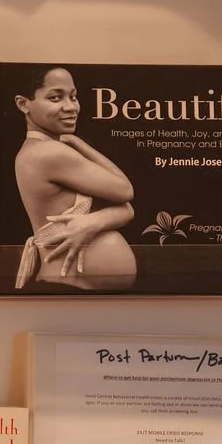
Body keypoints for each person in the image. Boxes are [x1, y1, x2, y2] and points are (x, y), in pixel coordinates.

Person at [11, 66, 137, 292]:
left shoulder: (37, 150)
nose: (70, 107)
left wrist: (91, 222)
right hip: (68, 284)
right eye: (55, 98)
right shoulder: (49, 153)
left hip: (72, 284)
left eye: (73, 96)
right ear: (23, 104)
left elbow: (126, 207)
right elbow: (125, 190)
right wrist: (79, 144)